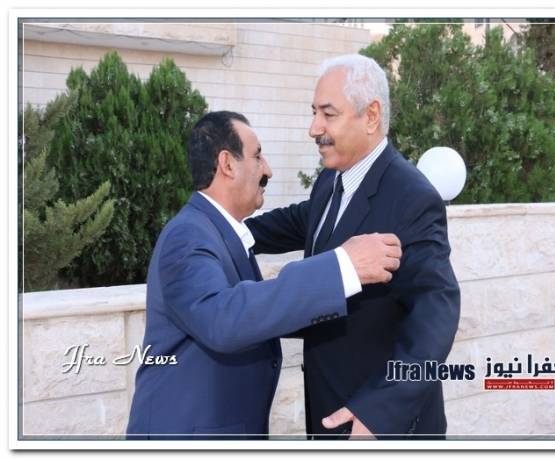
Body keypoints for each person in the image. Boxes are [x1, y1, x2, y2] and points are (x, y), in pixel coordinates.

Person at [126, 111, 402, 439]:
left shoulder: (220, 234)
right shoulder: (188, 235)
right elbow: (224, 318)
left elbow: (257, 314)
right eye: (258, 156)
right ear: (227, 164)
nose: (268, 169)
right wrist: (342, 267)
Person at [246, 54, 461, 439]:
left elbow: (436, 317)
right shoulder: (330, 181)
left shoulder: (413, 197)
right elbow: (301, 220)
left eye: (328, 114)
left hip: (377, 428)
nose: (314, 128)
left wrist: (381, 410)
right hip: (328, 415)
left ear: (371, 116)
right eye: (314, 113)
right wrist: (229, 229)